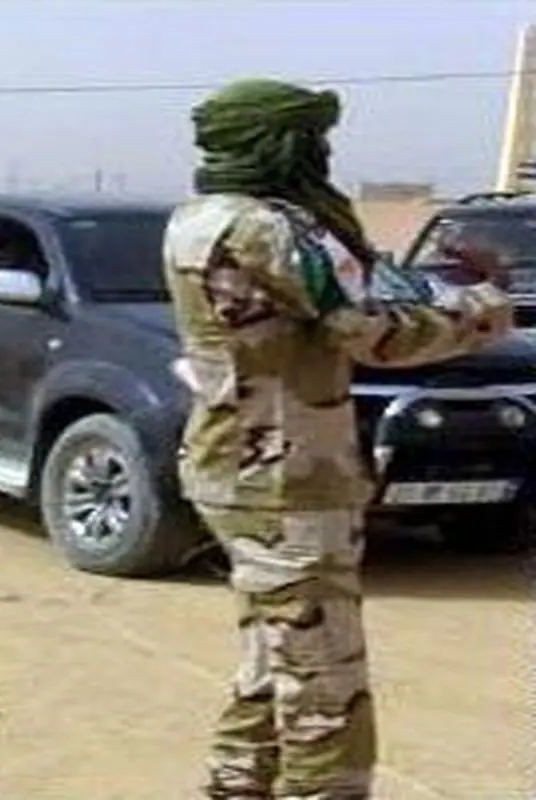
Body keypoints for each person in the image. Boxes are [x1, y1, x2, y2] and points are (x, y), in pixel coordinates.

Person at [162, 78, 513, 800]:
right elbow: (373, 333)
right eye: (313, 139)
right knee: (327, 683)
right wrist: (487, 306)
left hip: (238, 465)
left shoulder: (198, 218)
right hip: (286, 478)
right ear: (280, 143)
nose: (323, 153)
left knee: (274, 660)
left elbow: (349, 294)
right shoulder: (267, 227)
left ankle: (236, 786)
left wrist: (436, 287)